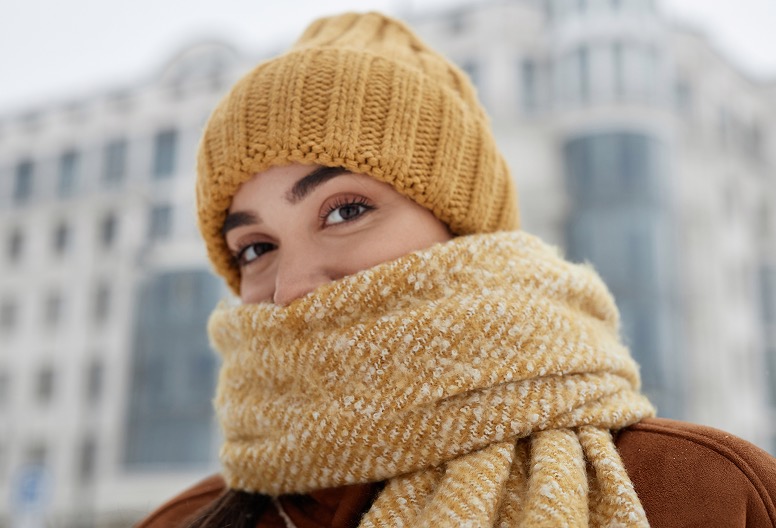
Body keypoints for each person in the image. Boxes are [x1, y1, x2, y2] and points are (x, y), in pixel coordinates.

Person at [137, 11, 776, 528]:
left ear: (464, 234)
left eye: (346, 209)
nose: (293, 286)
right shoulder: (186, 521)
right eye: (255, 248)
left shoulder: (704, 492)